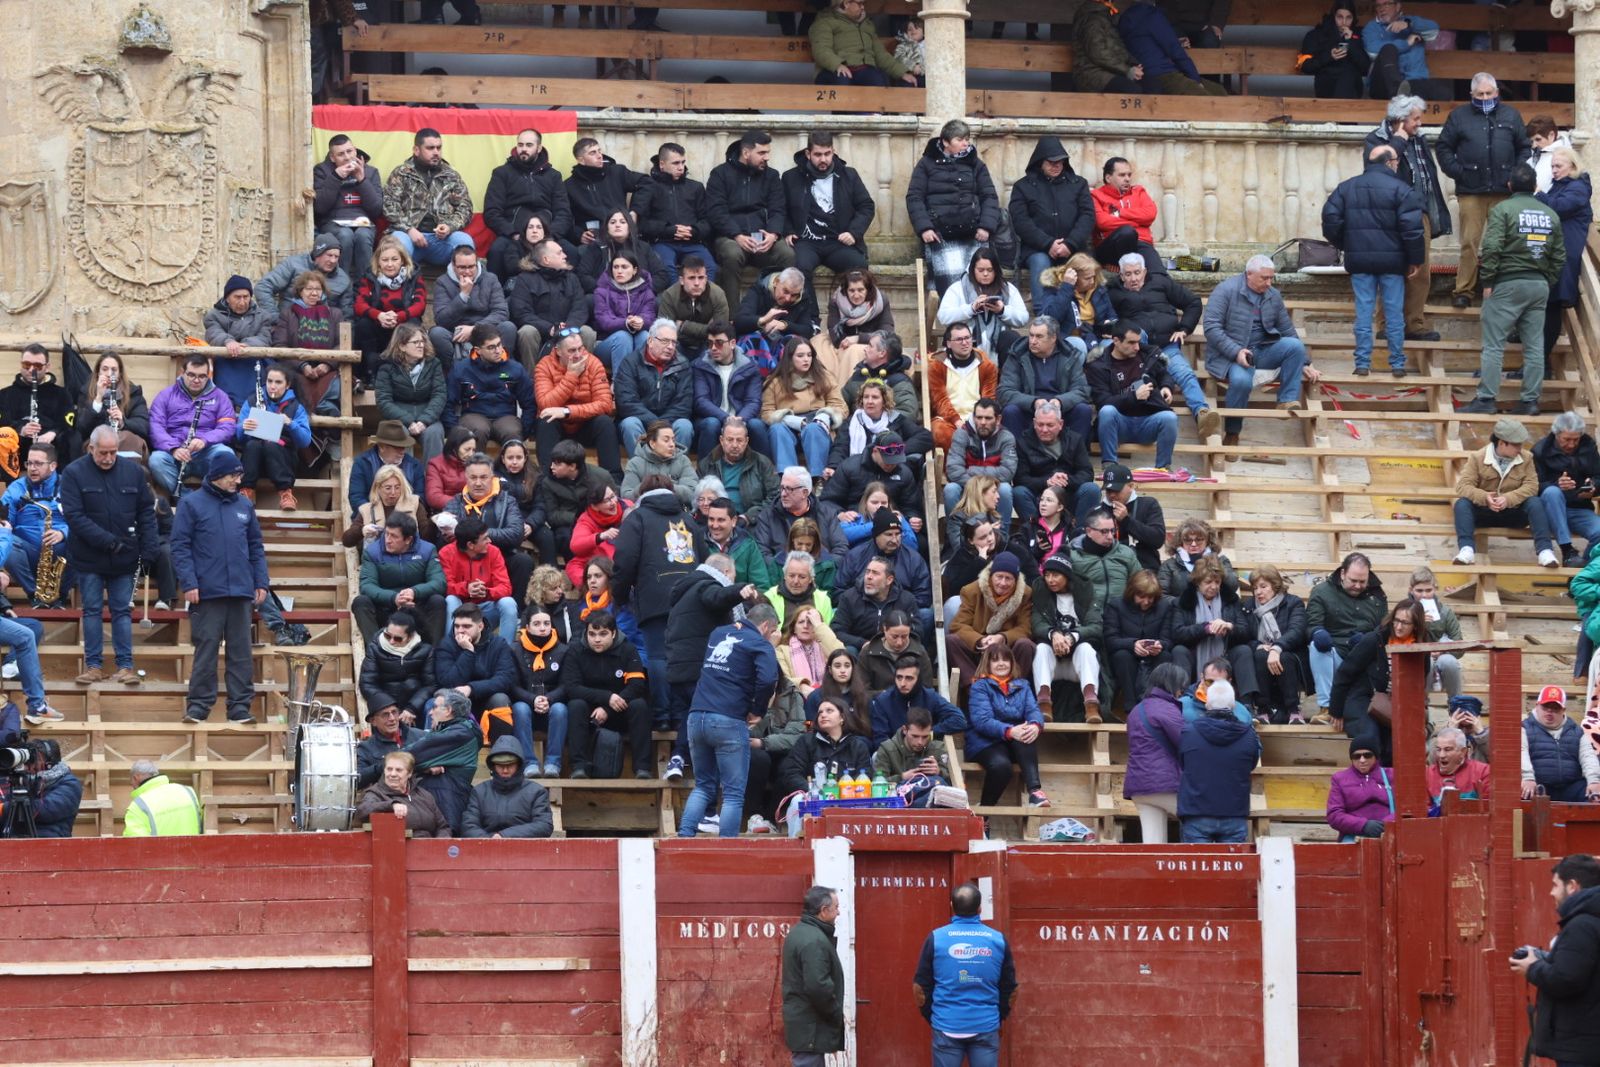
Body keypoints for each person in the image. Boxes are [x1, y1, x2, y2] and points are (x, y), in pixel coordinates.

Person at [171, 450, 269, 725]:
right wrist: (189, 582)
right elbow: (179, 547)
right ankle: (198, 707)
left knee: (241, 652)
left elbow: (255, 547)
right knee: (206, 649)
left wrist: (261, 581)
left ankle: (239, 708)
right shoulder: (191, 504)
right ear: (216, 476)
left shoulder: (244, 505)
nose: (237, 480)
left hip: (240, 590)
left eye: (239, 475)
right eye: (232, 476)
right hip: (206, 591)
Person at [1460, 166, 1566, 418]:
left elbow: (1493, 246)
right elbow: (1559, 255)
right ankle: (1530, 401)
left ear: (1509, 186)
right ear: (1534, 187)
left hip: (1507, 283)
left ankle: (1486, 398)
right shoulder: (1550, 214)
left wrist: (1487, 281)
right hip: (1539, 285)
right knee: (1534, 346)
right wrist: (1546, 281)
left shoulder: (1503, 210)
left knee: (1494, 345)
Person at [60, 425, 158, 684]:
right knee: (92, 610)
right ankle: (93, 666)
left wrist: (149, 549)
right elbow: (74, 516)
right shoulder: (73, 473)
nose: (108, 458)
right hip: (88, 556)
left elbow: (146, 512)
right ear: (91, 448)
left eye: (113, 452)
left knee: (122, 611)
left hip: (125, 556)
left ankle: (125, 666)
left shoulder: (134, 473)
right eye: (102, 453)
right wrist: (107, 542)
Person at [1321, 144, 1426, 378]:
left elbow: (1330, 219)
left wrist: (1346, 244)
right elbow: (1412, 229)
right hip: (1393, 263)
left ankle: (1362, 363)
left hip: (1360, 261)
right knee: (1394, 314)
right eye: (1396, 160)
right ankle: (1397, 364)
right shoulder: (1402, 189)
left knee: (1363, 312)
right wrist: (1415, 259)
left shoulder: (1347, 188)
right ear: (1390, 162)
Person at [676, 606, 781, 838]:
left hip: (696, 716)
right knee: (733, 793)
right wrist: (757, 711)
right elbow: (768, 680)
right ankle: (727, 845)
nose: (771, 635)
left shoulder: (718, 633)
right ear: (765, 626)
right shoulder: (760, 643)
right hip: (728, 719)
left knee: (703, 786)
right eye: (772, 631)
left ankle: (684, 836)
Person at [1436, 75, 1532, 309]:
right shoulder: (1459, 116)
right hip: (1471, 190)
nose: (1486, 98)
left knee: (1504, 243)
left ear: (1498, 92)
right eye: (1480, 94)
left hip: (1505, 191)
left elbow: (1524, 148)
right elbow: (1443, 147)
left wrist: (1515, 176)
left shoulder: (1511, 115)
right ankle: (1464, 290)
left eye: (1489, 93)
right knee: (1469, 242)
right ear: (1472, 95)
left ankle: (1501, 288)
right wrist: (1458, 172)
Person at [1203, 256, 1318, 447]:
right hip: (1231, 354)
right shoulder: (1226, 290)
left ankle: (1287, 400)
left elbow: (1287, 329)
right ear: (1249, 274)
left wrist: (1305, 363)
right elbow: (1211, 327)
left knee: (1295, 346)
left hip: (1263, 349)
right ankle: (1232, 432)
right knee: (1241, 381)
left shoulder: (1272, 295)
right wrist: (1236, 351)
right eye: (1264, 278)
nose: (1269, 282)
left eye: (1271, 278)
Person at [1365, 94, 1453, 342]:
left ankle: (1415, 324)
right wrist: (1399, 141)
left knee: (1421, 272)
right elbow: (1381, 170)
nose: (1419, 123)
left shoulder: (1420, 140)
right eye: (1415, 118)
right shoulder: (1375, 140)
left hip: (1418, 213)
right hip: (1391, 215)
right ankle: (1386, 325)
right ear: (1400, 120)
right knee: (1392, 269)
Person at [1105, 255, 1217, 439]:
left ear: (1145, 271)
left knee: (1185, 373)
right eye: (1128, 274)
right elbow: (1104, 320)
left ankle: (1202, 414)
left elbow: (1193, 302)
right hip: (1137, 352)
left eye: (1137, 273)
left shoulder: (1161, 282)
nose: (1133, 278)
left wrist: (1185, 328)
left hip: (1166, 346)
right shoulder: (1113, 293)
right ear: (1121, 276)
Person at [1508, 853, 1600, 1067]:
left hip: (1581, 1048)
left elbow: (1567, 979)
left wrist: (1533, 968)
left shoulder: (1582, 925)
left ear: (1572, 886)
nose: (1551, 892)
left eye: (1555, 885)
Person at [913, 882, 1018, 1066]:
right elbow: (1010, 988)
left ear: (952, 906)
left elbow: (920, 987)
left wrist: (936, 1017)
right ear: (980, 908)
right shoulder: (997, 940)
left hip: (946, 1025)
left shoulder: (936, 938)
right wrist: (997, 1017)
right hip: (985, 1025)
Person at [907, 119, 1001, 296]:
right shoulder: (926, 164)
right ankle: (955, 323)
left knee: (979, 287)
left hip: (974, 234)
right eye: (959, 139)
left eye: (967, 138)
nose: (965, 143)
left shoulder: (976, 164)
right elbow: (914, 198)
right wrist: (925, 228)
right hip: (940, 237)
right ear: (945, 142)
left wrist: (986, 226)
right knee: (950, 291)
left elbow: (989, 196)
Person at [706, 129, 795, 311]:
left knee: (787, 255)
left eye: (768, 152)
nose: (766, 157)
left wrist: (773, 234)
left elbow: (778, 209)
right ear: (746, 153)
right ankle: (732, 317)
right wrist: (737, 235)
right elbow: (716, 211)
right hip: (731, 237)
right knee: (731, 255)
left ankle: (781, 312)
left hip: (763, 237)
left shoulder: (771, 176)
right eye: (761, 153)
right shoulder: (720, 174)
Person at [1452, 417, 1557, 568]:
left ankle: (1545, 551)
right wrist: (1484, 497)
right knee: (1462, 504)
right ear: (1501, 443)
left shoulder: (1527, 458)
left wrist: (1508, 499)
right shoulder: (1477, 458)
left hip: (1513, 513)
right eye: (1516, 445)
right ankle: (1466, 549)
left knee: (1535, 502)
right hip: (1484, 512)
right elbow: (1463, 486)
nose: (1520, 448)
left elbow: (1532, 486)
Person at [560, 609, 652, 779]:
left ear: (614, 633)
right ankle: (579, 767)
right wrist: (606, 698)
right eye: (592, 634)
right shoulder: (575, 650)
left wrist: (608, 708)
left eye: (603, 634)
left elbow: (637, 685)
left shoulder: (628, 649)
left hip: (620, 709)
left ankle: (642, 768)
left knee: (639, 705)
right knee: (575, 704)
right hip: (590, 713)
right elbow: (572, 687)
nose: (597, 639)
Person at [782, 131, 874, 298]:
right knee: (799, 268)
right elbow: (781, 209)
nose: (823, 159)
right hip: (806, 242)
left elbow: (866, 206)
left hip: (838, 241)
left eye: (827, 154)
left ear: (833, 151)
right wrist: (788, 231)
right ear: (808, 154)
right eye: (818, 154)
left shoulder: (849, 175)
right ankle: (811, 320)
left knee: (858, 266)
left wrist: (853, 232)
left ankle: (851, 317)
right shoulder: (790, 178)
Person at [1010, 137, 1095, 310]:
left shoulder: (1079, 184)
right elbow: (1020, 221)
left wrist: (1070, 244)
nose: (1056, 166)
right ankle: (1043, 314)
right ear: (1040, 162)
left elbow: (1088, 217)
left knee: (1085, 266)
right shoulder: (1022, 186)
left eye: (1060, 162)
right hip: (1037, 248)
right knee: (1040, 262)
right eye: (1051, 162)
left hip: (1074, 247)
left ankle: (1089, 315)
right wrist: (1047, 243)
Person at [535, 328, 624, 485]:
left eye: (580, 348)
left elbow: (605, 404)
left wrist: (567, 411)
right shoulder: (544, 366)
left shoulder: (593, 363)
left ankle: (613, 480)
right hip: (559, 429)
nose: (578, 354)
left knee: (604, 422)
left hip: (584, 425)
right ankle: (548, 480)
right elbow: (545, 404)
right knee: (546, 420)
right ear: (558, 351)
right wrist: (571, 376)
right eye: (571, 350)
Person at [1088, 324, 1181, 471]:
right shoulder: (1098, 366)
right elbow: (1103, 401)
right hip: (1119, 425)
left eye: (1138, 342)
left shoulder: (1146, 356)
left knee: (1170, 417)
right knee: (1107, 411)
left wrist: (1166, 387)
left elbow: (1164, 375)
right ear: (1116, 341)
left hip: (1147, 422)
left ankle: (1163, 468)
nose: (1137, 347)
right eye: (1131, 343)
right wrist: (1134, 396)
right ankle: (1110, 465)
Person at [966, 642, 1049, 807]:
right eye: (995, 660)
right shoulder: (979, 686)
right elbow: (982, 721)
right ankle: (985, 811)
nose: (1001, 664)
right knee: (1001, 767)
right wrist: (1010, 731)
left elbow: (1033, 710)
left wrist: (1035, 725)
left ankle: (1035, 792)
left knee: (1027, 732)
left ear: (1012, 662)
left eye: (1005, 659)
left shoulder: (1023, 685)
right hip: (985, 742)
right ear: (988, 664)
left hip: (1013, 741)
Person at [1177, 679, 1260, 842]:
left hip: (1196, 811)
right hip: (1234, 811)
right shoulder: (1249, 735)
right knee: (1232, 867)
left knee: (1197, 866)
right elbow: (1252, 764)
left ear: (1207, 703)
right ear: (1234, 705)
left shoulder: (1188, 732)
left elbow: (1182, 761)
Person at [1306, 553, 1387, 718]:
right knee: (1316, 646)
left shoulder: (1378, 595)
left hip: (1364, 655)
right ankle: (1326, 707)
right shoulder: (1321, 592)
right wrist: (1318, 632)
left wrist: (1368, 640)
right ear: (1342, 574)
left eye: (1362, 581)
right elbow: (1311, 624)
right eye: (1353, 581)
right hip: (1334, 653)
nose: (1358, 586)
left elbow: (1383, 629)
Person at [483, 128, 573, 275]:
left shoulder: (554, 176)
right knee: (496, 251)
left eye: (529, 145)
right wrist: (513, 234)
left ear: (539, 148)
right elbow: (491, 212)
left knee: (572, 252)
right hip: (513, 236)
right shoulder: (501, 173)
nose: (523, 149)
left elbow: (563, 213)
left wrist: (550, 237)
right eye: (520, 145)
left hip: (547, 236)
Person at [381, 128, 475, 267]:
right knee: (396, 245)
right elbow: (389, 206)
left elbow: (466, 208)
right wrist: (409, 229)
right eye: (430, 148)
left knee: (465, 243)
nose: (436, 152)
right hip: (408, 237)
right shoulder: (401, 173)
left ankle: (461, 288)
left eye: (439, 147)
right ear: (416, 150)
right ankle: (398, 288)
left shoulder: (451, 175)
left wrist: (449, 226)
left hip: (441, 240)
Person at [148, 356, 238, 499]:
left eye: (202, 376)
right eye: (191, 375)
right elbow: (155, 426)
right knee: (156, 460)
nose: (196, 380)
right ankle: (188, 499)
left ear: (208, 376)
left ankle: (210, 496)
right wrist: (174, 448)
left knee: (226, 454)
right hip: (175, 453)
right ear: (182, 372)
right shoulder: (165, 395)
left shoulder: (220, 397)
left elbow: (227, 427)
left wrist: (204, 440)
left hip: (205, 452)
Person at [1030, 553, 1103, 723]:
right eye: (1047, 575)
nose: (1050, 580)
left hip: (1077, 665)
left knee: (1086, 649)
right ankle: (1044, 704)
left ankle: (1091, 705)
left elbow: (1096, 626)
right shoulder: (1041, 594)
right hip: (1052, 664)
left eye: (1055, 575)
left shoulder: (1086, 593)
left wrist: (1073, 636)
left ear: (1067, 575)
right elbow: (1036, 623)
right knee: (1040, 649)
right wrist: (1053, 634)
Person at [354, 512, 446, 644]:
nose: (387, 540)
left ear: (408, 539)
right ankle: (374, 650)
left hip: (416, 605)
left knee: (437, 601)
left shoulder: (427, 549)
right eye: (386, 534)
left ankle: (432, 652)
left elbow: (439, 582)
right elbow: (367, 585)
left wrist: (414, 592)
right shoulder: (372, 552)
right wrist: (394, 598)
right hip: (386, 607)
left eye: (394, 536)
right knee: (361, 601)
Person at [948, 552, 1036, 693]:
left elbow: (1025, 628)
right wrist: (980, 641)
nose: (1003, 583)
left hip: (1007, 652)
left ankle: (1013, 689)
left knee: (1026, 645)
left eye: (1008, 579)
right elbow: (958, 625)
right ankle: (976, 689)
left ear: (1016, 580)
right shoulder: (971, 590)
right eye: (999, 577)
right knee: (952, 641)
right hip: (979, 650)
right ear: (990, 575)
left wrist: (1002, 638)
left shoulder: (1025, 594)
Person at [1123, 662, 1190, 842]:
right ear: (1172, 684)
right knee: (1200, 815)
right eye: (1181, 686)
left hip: (1139, 786)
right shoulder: (1167, 709)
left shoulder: (1137, 710)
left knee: (1153, 845)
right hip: (1164, 784)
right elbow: (1187, 744)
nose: (1182, 691)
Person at [762, 338, 847, 479]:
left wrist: (826, 415)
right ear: (790, 358)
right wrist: (786, 418)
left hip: (816, 423)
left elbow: (840, 406)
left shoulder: (824, 377)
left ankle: (818, 478)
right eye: (800, 356)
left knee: (813, 429)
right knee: (777, 429)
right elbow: (766, 412)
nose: (806, 360)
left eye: (809, 355)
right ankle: (788, 479)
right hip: (788, 424)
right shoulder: (775, 382)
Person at [998, 316, 1092, 443]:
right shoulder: (1017, 354)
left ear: (1053, 338)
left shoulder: (1069, 355)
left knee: (1083, 410)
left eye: (1039, 336)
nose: (1033, 341)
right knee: (1010, 411)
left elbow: (1082, 390)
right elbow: (1005, 392)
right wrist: (1033, 402)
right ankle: (1017, 459)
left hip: (1060, 412)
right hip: (1029, 412)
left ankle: (1075, 459)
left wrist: (1060, 401)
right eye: (1031, 335)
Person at [1537, 146, 1592, 362]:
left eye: (1558, 166)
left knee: (1551, 307)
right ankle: (1539, 361)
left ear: (1573, 167)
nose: (1554, 171)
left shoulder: (1577, 187)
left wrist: (1538, 193)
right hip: (1555, 255)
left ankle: (1541, 362)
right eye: (1552, 166)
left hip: (1563, 257)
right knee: (1546, 307)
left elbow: (1557, 208)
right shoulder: (1563, 186)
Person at [781, 886, 846, 1067]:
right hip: (810, 1027)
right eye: (836, 907)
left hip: (806, 1026)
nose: (838, 912)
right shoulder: (814, 940)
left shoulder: (801, 932)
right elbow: (818, 986)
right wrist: (835, 1014)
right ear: (824, 911)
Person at [633, 143, 715, 284]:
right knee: (665, 269)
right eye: (676, 163)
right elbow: (641, 224)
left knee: (710, 268)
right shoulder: (649, 187)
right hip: (661, 242)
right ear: (662, 164)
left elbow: (707, 221)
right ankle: (678, 303)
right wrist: (670, 230)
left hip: (693, 242)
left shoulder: (695, 187)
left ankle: (701, 303)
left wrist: (693, 231)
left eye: (683, 162)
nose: (681, 167)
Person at [0, 443, 69, 609]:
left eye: (38, 463)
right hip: (27, 550)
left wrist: (63, 533)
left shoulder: (68, 486)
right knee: (6, 543)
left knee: (82, 542)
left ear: (53, 466)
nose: (32, 468)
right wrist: (4, 524)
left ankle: (60, 595)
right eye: (29, 463)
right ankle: (34, 595)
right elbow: (4, 520)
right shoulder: (17, 488)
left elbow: (82, 520)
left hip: (60, 550)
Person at [509, 239, 595, 371]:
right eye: (559, 253)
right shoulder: (525, 279)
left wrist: (568, 328)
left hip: (568, 330)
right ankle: (532, 380)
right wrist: (549, 328)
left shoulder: (571, 278)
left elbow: (580, 308)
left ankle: (582, 376)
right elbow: (521, 312)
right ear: (546, 259)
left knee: (587, 332)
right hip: (541, 332)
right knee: (527, 331)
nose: (565, 256)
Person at [406, 687, 482, 834]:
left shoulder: (459, 733)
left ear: (448, 710)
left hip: (447, 805)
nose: (430, 712)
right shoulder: (456, 730)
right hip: (439, 802)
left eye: (434, 707)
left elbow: (407, 757)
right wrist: (424, 768)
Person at [351, 236, 426, 385]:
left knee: (413, 324)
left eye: (394, 259)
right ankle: (371, 373)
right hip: (378, 326)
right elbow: (359, 304)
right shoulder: (369, 277)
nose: (390, 264)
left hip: (402, 325)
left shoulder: (413, 276)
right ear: (378, 262)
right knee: (363, 324)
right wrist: (379, 315)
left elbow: (420, 304)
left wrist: (398, 317)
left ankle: (409, 373)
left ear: (402, 260)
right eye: (385, 260)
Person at [235, 363, 310, 511]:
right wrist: (243, 427)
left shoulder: (296, 407)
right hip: (254, 461)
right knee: (252, 445)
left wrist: (291, 423)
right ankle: (246, 491)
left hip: (282, 461)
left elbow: (305, 441)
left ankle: (286, 494)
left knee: (272, 445)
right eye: (269, 381)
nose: (272, 386)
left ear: (287, 385)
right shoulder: (252, 401)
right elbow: (239, 438)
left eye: (278, 382)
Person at [357, 613, 435, 750]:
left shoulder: (426, 650)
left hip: (413, 703)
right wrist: (390, 708)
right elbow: (367, 683)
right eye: (388, 635)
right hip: (385, 701)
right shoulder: (375, 647)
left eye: (398, 638)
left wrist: (412, 707)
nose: (391, 641)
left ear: (410, 636)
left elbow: (430, 684)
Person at [1118, 0, 1229, 96]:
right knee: (1212, 99)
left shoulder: (1124, 18)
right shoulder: (1152, 16)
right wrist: (1196, 80)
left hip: (1147, 75)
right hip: (1165, 75)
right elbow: (1176, 52)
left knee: (1218, 91)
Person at [1104, 569, 1176, 716]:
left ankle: (1154, 703)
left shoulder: (1164, 606)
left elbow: (1168, 640)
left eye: (1150, 597)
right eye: (1141, 596)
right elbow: (1110, 640)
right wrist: (1133, 644)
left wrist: (1159, 645)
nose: (1146, 601)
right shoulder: (1116, 605)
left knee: (1166, 657)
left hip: (1154, 655)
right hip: (1126, 654)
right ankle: (1130, 706)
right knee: (1122, 656)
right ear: (1132, 593)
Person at [935, 250, 1028, 366]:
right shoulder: (957, 288)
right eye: (980, 270)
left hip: (999, 347)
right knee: (961, 337)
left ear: (996, 270)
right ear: (973, 270)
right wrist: (971, 309)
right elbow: (943, 317)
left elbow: (1023, 318)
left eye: (990, 270)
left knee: (1011, 337)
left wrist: (1002, 310)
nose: (985, 274)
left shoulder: (1008, 289)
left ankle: (1005, 379)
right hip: (967, 344)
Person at [313, 134, 384, 282]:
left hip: (364, 223)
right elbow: (320, 208)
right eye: (341, 154)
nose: (347, 157)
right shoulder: (322, 171)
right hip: (333, 222)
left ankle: (365, 286)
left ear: (355, 151)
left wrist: (361, 179)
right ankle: (341, 285)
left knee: (363, 237)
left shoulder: (371, 172)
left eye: (350, 151)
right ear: (332, 158)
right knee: (345, 236)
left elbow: (376, 210)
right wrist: (335, 178)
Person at [615, 321, 693, 457]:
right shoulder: (630, 363)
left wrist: (662, 426)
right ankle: (641, 471)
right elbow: (627, 402)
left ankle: (674, 474)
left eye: (674, 343)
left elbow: (683, 405)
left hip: (670, 423)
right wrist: (655, 424)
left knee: (685, 425)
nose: (670, 347)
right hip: (642, 422)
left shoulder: (683, 365)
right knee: (629, 423)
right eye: (665, 341)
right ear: (650, 341)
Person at [438, 514, 518, 645]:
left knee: (508, 603)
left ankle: (505, 651)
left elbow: (505, 587)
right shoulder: (446, 553)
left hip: (485, 610)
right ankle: (451, 648)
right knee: (451, 600)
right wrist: (466, 589)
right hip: (460, 610)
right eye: (485, 538)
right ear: (470, 545)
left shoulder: (494, 552)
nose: (490, 541)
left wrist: (487, 592)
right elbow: (445, 586)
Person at [430, 246, 516, 367]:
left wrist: (475, 329)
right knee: (436, 333)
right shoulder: (442, 282)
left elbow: (501, 312)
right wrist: (463, 295)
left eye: (471, 267)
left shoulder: (490, 279)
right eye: (462, 267)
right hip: (456, 333)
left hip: (486, 330)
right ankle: (454, 373)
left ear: (477, 264)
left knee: (508, 327)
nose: (467, 272)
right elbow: (441, 319)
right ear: (454, 266)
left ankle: (500, 370)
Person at [1535, 413, 1600, 568]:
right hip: (1549, 510)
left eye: (1575, 440)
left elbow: (1598, 475)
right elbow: (1533, 486)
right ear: (1557, 435)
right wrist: (1557, 484)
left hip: (1579, 508)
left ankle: (1581, 575)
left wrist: (1594, 486)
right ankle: (1567, 551)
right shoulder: (1540, 451)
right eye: (1567, 440)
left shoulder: (1588, 447)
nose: (1571, 444)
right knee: (1552, 492)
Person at [1248, 565, 1309, 725]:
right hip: (1262, 656)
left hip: (1290, 653)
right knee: (1260, 655)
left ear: (1275, 586)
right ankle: (1263, 710)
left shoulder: (1293, 603)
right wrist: (1258, 646)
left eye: (1263, 586)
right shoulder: (1249, 606)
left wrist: (1277, 647)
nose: (1258, 592)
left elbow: (1297, 631)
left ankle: (1294, 710)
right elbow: (1244, 635)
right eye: (1255, 588)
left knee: (1284, 657)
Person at [462, 736, 554, 838]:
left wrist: (504, 835)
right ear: (493, 766)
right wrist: (489, 841)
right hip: (485, 849)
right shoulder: (479, 792)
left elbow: (544, 825)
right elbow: (468, 826)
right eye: (500, 765)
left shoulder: (537, 792)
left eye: (510, 765)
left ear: (519, 765)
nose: (505, 770)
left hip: (525, 850)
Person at [1521, 685, 1600, 803]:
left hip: (1572, 786)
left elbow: (1588, 756)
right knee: (1522, 793)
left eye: (1555, 708)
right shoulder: (1524, 728)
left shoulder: (1577, 731)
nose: (1549, 711)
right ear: (1537, 706)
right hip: (1538, 785)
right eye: (1545, 707)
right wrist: (1527, 778)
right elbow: (1521, 753)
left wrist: (1594, 781)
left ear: (1563, 710)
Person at [930, 324, 1000, 455]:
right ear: (949, 344)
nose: (965, 343)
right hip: (948, 420)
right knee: (940, 432)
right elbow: (939, 400)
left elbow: (988, 400)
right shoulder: (937, 366)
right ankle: (951, 473)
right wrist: (957, 421)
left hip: (979, 418)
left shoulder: (987, 366)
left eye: (967, 338)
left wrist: (977, 421)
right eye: (959, 339)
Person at [809, 0, 916, 86]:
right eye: (860, 3)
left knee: (877, 78)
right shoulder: (825, 21)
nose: (863, 7)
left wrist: (901, 73)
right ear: (846, 4)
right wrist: (838, 65)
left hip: (864, 69)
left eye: (863, 3)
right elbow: (821, 50)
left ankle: (871, 113)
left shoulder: (867, 25)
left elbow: (880, 55)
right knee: (842, 79)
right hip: (832, 71)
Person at [563, 136, 643, 249]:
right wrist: (578, 234)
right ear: (581, 160)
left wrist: (635, 211)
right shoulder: (569, 186)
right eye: (592, 153)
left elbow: (646, 183)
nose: (599, 155)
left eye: (599, 151)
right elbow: (564, 217)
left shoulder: (617, 172)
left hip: (623, 237)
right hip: (593, 242)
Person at [0, 346, 74, 467]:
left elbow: (69, 419)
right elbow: (2, 420)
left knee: (72, 438)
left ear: (47, 367)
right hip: (17, 446)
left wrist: (52, 433)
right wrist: (20, 429)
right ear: (21, 364)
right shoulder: (4, 394)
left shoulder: (62, 394)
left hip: (51, 444)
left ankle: (63, 479)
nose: (31, 370)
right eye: (26, 365)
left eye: (38, 366)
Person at [696, 415, 778, 524]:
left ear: (746, 441)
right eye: (730, 440)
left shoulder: (762, 463)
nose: (735, 445)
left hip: (752, 523)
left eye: (739, 440)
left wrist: (749, 517)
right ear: (721, 440)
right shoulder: (707, 464)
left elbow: (775, 497)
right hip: (715, 523)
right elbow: (697, 498)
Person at [256, 233, 356, 318]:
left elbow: (346, 315)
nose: (333, 260)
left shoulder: (343, 280)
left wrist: (344, 339)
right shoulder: (293, 264)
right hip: (290, 323)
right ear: (318, 254)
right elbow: (263, 287)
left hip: (323, 330)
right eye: (329, 255)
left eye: (336, 257)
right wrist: (275, 318)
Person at [355, 750, 451, 837]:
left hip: (429, 850)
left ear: (409, 773)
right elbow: (363, 810)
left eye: (398, 770)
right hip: (397, 850)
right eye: (389, 769)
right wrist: (391, 805)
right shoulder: (376, 793)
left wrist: (439, 844)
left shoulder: (423, 794)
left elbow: (443, 827)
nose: (392, 774)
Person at [74, 351, 148, 461]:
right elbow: (82, 429)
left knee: (130, 439)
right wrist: (98, 398)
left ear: (120, 373)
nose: (109, 374)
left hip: (126, 444)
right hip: (98, 445)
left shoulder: (134, 394)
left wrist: (123, 422)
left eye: (114, 370)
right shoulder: (86, 392)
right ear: (98, 373)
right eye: (105, 369)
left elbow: (143, 427)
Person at [1361, 0, 1440, 101]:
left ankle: (1402, 94)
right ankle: (1398, 92)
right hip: (1383, 84)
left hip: (1414, 80)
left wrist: (1409, 24)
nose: (1382, 8)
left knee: (1442, 94)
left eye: (1386, 4)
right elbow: (1373, 51)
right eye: (1378, 5)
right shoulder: (1371, 27)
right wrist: (1406, 43)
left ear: (1397, 6)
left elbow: (1434, 30)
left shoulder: (1412, 22)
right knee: (1387, 49)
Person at [348, 420, 426, 521]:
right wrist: (377, 515)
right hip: (370, 520)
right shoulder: (362, 463)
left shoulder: (414, 465)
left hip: (405, 520)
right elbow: (356, 498)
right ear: (382, 447)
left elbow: (420, 497)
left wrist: (399, 516)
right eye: (397, 447)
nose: (402, 451)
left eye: (404, 447)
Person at [735, 267, 821, 354]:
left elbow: (807, 330)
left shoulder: (802, 300)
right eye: (785, 291)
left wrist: (784, 325)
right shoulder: (758, 290)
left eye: (794, 295)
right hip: (756, 346)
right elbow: (739, 321)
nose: (788, 298)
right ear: (776, 282)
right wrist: (763, 320)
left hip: (783, 349)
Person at [1100, 463, 1167, 573]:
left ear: (1131, 486)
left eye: (1116, 490)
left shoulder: (1149, 504)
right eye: (1108, 490)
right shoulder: (1099, 510)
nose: (1112, 495)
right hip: (1108, 569)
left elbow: (1158, 539)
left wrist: (1127, 521)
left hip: (1143, 569)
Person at [657, 259, 729, 360]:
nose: (696, 283)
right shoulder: (670, 295)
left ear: (706, 278)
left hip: (707, 345)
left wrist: (683, 326)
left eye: (701, 278)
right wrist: (707, 328)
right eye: (691, 278)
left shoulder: (718, 294)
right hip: (678, 344)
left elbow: (719, 332)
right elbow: (665, 332)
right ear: (681, 280)